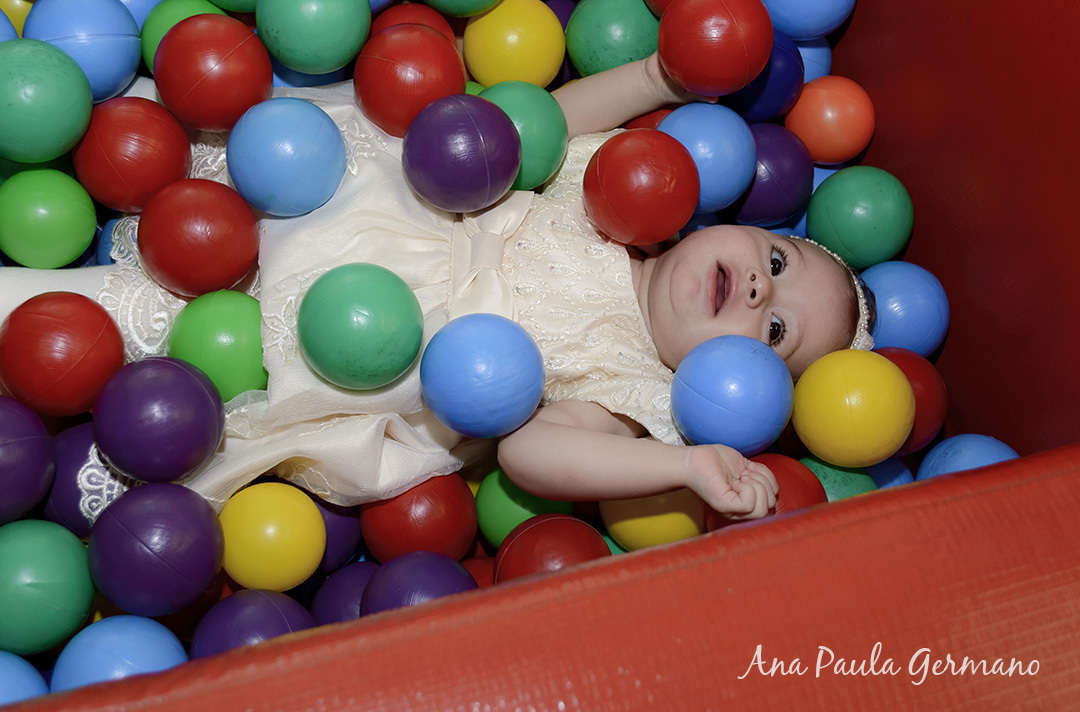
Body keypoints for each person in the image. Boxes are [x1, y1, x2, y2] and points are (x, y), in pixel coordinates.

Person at [0, 53, 873, 527]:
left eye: (775, 336)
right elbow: (541, 120)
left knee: (108, 339)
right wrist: (663, 78)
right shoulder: (633, 188)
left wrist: (681, 464)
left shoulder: (631, 392)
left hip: (353, 353)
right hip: (344, 204)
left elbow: (531, 455)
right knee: (177, 160)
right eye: (780, 262)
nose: (760, 291)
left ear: (738, 393)